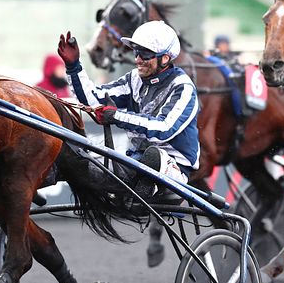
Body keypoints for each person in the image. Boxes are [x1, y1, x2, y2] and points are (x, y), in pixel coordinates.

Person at [56, 20, 199, 197]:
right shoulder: (134, 79)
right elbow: (94, 100)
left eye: (145, 54)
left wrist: (117, 116)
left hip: (173, 167)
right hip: (136, 159)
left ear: (165, 58)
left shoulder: (183, 87)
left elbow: (164, 129)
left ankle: (143, 191)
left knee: (153, 157)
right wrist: (73, 67)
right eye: (137, 52)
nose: (138, 59)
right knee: (79, 160)